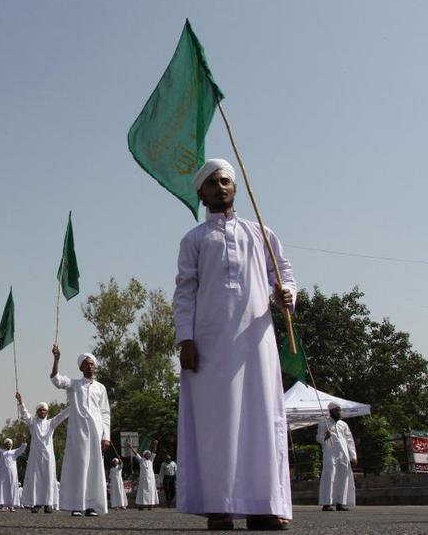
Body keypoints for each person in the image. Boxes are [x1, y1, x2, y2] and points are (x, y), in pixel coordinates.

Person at [173, 158, 296, 531]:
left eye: (225, 181)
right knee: (216, 423)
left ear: (236, 188)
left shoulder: (260, 232)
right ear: (202, 194)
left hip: (255, 340)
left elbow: (284, 272)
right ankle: (219, 505)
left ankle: (263, 506)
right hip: (209, 343)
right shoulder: (193, 240)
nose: (220, 187)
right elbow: (184, 291)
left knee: (261, 416)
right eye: (212, 184)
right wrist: (186, 338)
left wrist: (286, 293)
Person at [50, 345, 111, 517]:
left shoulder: (101, 388)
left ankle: (91, 506)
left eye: (91, 364)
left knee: (93, 469)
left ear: (95, 366)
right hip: (78, 434)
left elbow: (105, 413)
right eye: (86, 364)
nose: (89, 366)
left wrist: (106, 436)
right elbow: (56, 379)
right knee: (78, 467)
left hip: (95, 434)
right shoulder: (74, 385)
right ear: (81, 368)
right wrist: (56, 359)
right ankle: (76, 505)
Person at [17, 393, 68, 513]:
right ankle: (35, 503)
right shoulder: (32, 422)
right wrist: (20, 401)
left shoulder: (51, 423)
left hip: (48, 457)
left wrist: (73, 404)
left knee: (49, 479)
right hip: (35, 456)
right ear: (37, 412)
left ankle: (48, 504)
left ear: (47, 412)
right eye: (40, 410)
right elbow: (24, 414)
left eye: (44, 410)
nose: (42, 412)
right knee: (36, 479)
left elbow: (62, 415)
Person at [317, 403, 357, 511]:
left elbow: (349, 440)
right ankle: (326, 503)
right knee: (329, 476)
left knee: (343, 477)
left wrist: (353, 455)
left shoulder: (343, 424)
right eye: (337, 410)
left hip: (343, 453)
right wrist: (325, 437)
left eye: (339, 410)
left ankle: (341, 502)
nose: (339, 412)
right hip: (330, 452)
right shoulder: (323, 422)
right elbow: (318, 437)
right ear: (331, 411)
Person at [0, 435, 27, 511]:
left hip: (12, 473)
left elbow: (22, 448)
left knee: (11, 487)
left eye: (9, 443)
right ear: (4, 445)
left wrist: (24, 440)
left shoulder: (14, 452)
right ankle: (2, 505)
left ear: (12, 445)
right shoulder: (1, 451)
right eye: (6, 443)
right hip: (2, 473)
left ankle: (11, 505)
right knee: (2, 488)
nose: (8, 445)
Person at [131, 441, 159, 510]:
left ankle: (150, 505)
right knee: (142, 492)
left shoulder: (151, 460)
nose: (148, 455)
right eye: (147, 454)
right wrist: (131, 447)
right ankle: (141, 506)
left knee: (151, 491)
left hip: (151, 480)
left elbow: (154, 451)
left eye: (149, 454)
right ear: (144, 455)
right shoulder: (141, 460)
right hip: (143, 479)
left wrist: (155, 444)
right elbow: (136, 453)